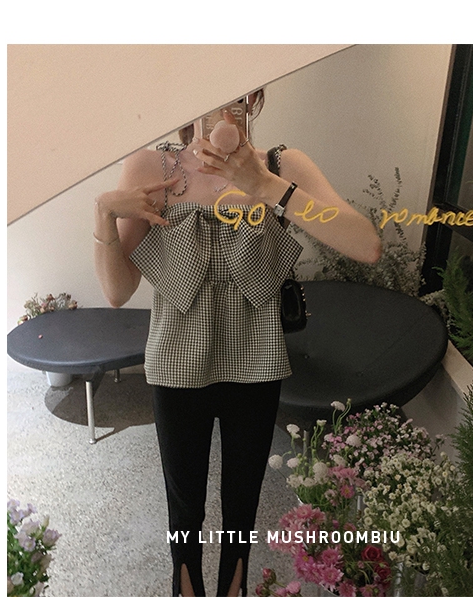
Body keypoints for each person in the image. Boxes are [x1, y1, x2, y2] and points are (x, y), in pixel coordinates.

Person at [93, 90, 381, 596]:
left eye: (240, 97)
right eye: (212, 98)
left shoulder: (282, 165)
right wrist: (103, 217)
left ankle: (235, 589)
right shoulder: (151, 167)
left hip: (256, 366)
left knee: (242, 504)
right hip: (177, 367)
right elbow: (117, 291)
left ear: (254, 98)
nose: (225, 112)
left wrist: (266, 185)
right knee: (183, 506)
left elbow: (367, 244)